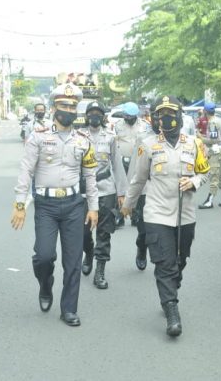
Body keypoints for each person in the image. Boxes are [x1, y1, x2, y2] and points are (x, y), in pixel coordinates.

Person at [11, 83, 99, 327]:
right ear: (53, 108)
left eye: (73, 106)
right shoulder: (38, 136)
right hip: (46, 205)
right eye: (64, 105)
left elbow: (90, 176)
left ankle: (69, 309)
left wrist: (93, 207)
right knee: (44, 256)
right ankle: (45, 284)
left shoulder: (84, 140)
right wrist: (20, 203)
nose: (68, 110)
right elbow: (26, 170)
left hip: (73, 204)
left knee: (72, 260)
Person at [122, 96, 209, 337]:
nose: (167, 118)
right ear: (157, 119)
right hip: (157, 213)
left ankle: (172, 288)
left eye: (172, 114)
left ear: (180, 116)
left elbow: (204, 173)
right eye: (162, 115)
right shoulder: (147, 145)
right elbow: (138, 179)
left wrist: (193, 181)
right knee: (165, 263)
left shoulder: (194, 144)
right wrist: (128, 204)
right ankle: (171, 310)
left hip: (185, 215)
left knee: (180, 261)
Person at [80, 101, 126, 288]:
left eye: (98, 113)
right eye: (91, 113)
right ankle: (88, 252)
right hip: (83, 192)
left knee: (104, 233)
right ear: (86, 116)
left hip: (106, 189)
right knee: (82, 232)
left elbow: (117, 164)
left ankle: (100, 271)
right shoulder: (78, 136)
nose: (94, 116)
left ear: (103, 116)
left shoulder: (110, 138)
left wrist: (122, 192)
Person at [114, 101, 153, 267]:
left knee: (144, 221)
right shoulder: (117, 125)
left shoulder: (145, 126)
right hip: (123, 161)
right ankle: (121, 215)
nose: (128, 118)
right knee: (123, 188)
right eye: (126, 116)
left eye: (131, 116)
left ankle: (141, 245)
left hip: (140, 165)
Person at [198, 102, 221, 209]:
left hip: (215, 152)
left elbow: (213, 140)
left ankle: (209, 201)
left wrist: (200, 137)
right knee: (219, 177)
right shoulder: (215, 120)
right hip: (217, 151)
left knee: (214, 176)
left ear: (205, 111)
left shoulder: (212, 123)